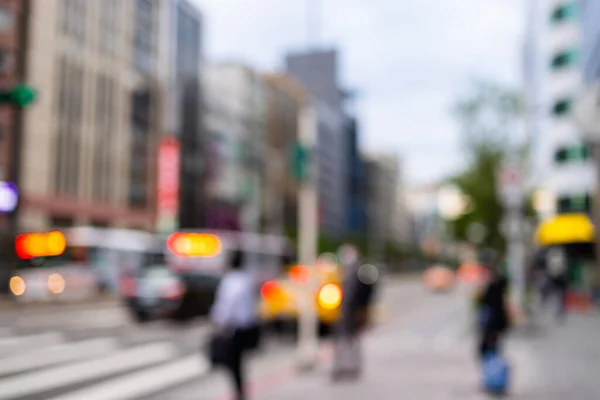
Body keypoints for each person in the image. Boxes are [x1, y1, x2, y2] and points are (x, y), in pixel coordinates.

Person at [210, 250, 259, 400]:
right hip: (248, 327)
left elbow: (227, 304)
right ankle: (240, 390)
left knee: (234, 363)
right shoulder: (247, 279)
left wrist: (219, 321)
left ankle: (239, 392)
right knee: (239, 363)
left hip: (235, 329)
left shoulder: (231, 280)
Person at [331, 244, 377, 381]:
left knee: (352, 341)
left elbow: (368, 292)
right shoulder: (343, 271)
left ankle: (352, 367)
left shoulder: (362, 270)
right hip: (343, 313)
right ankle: (342, 367)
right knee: (342, 341)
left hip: (354, 313)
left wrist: (363, 311)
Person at [476, 262, 510, 361]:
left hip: (492, 319)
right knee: (495, 341)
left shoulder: (492, 287)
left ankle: (492, 362)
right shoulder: (500, 285)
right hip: (497, 318)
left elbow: (482, 300)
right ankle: (494, 359)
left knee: (491, 342)